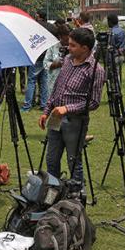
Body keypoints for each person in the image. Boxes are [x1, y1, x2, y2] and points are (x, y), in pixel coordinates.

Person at [39, 28, 105, 188]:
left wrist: (67, 108)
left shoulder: (96, 70)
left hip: (75, 121)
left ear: (85, 48)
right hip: (55, 118)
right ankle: (52, 192)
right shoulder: (68, 60)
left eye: (73, 45)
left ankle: (76, 197)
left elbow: (94, 102)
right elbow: (57, 88)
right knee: (51, 158)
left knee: (73, 160)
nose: (69, 48)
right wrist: (47, 111)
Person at [21, 11, 50, 112]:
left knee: (31, 81)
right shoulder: (51, 27)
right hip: (46, 57)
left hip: (36, 57)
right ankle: (44, 104)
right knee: (44, 81)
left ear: (39, 16)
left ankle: (27, 105)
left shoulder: (34, 26)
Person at [43, 24, 69, 95]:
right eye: (66, 40)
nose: (67, 42)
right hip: (53, 82)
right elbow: (45, 63)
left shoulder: (73, 47)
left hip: (69, 83)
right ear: (60, 37)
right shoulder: (53, 47)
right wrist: (55, 64)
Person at [107, 14, 125, 83]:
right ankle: (118, 88)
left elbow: (110, 45)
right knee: (118, 73)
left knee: (114, 75)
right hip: (121, 56)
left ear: (110, 21)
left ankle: (116, 90)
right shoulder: (123, 31)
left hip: (113, 56)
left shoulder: (111, 33)